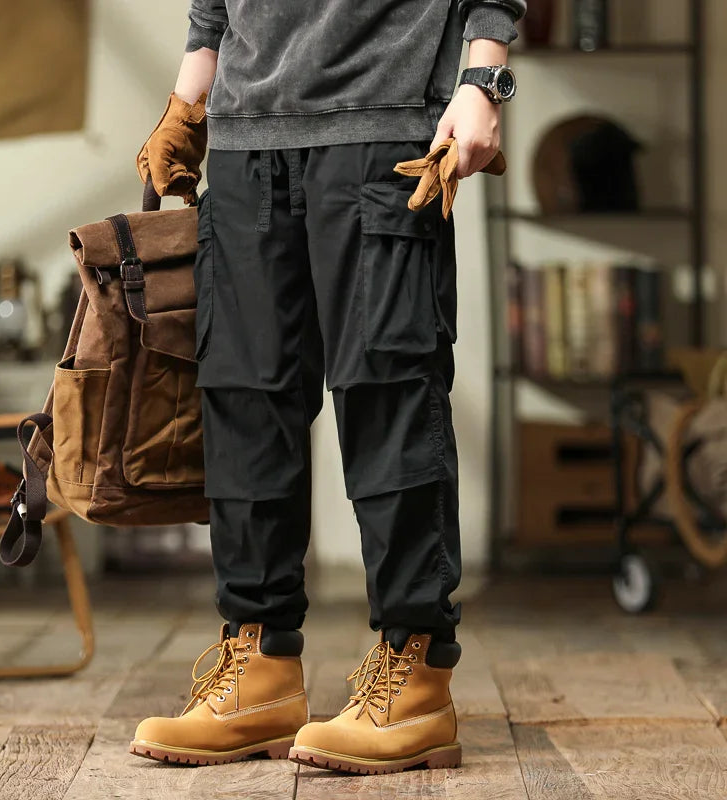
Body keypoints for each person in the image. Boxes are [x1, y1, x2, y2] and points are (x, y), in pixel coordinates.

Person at [131, 0, 525, 774]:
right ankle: (260, 664)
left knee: (390, 397)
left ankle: (415, 674)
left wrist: (483, 79)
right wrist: (187, 102)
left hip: (379, 128)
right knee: (245, 401)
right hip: (245, 139)